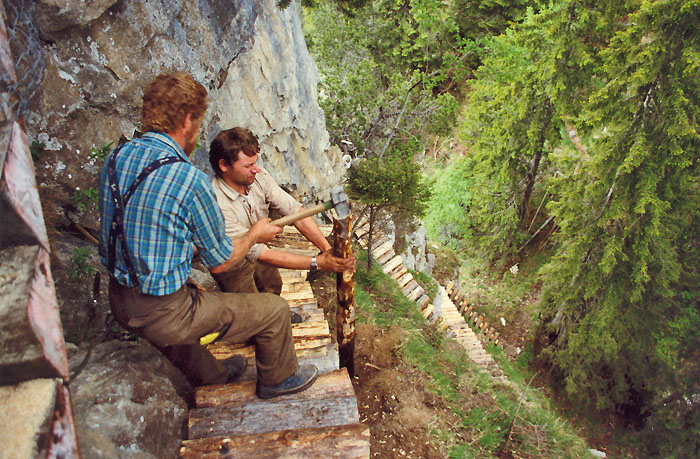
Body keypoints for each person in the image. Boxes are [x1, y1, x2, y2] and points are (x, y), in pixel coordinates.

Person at [98, 72, 317, 399]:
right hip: (166, 309)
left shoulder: (115, 159)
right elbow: (221, 261)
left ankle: (215, 376)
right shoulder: (189, 179)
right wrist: (255, 233)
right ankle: (277, 380)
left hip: (120, 299)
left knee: (171, 331)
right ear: (188, 120)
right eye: (197, 123)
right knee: (273, 310)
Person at [208, 127, 355, 299]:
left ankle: (275, 309)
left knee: (273, 285)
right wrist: (318, 263)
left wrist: (326, 249)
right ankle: (264, 320)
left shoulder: (257, 177)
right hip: (232, 262)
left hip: (260, 243)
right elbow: (261, 254)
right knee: (248, 303)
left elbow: (294, 211)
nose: (256, 169)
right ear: (224, 165)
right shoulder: (217, 204)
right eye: (248, 165)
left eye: (255, 162)